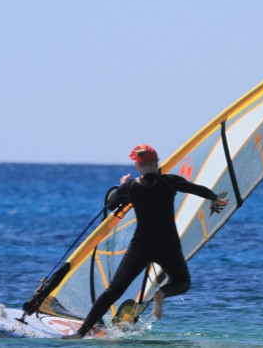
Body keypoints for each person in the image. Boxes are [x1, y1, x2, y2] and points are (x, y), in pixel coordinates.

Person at [63, 144, 230, 339]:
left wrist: (122, 184)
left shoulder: (131, 186)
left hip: (141, 245)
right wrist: (214, 198)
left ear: (137, 165)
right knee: (182, 282)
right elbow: (197, 189)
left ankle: (81, 333)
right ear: (157, 162)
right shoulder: (170, 181)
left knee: (113, 291)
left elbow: (111, 205)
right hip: (167, 244)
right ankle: (162, 294)